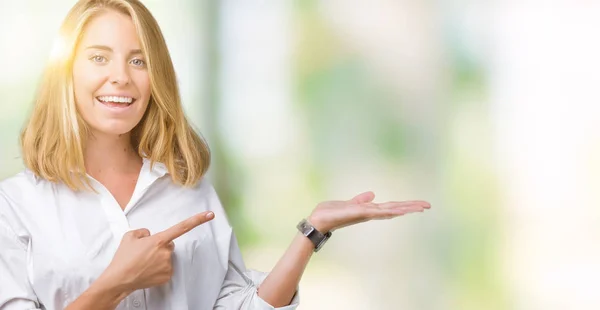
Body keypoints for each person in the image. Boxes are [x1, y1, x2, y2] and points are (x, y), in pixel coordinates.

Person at [0, 0, 431, 309]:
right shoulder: (18, 207)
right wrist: (116, 284)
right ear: (66, 73)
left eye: (138, 61)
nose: (120, 77)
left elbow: (236, 304)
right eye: (98, 58)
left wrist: (311, 232)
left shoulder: (188, 190)